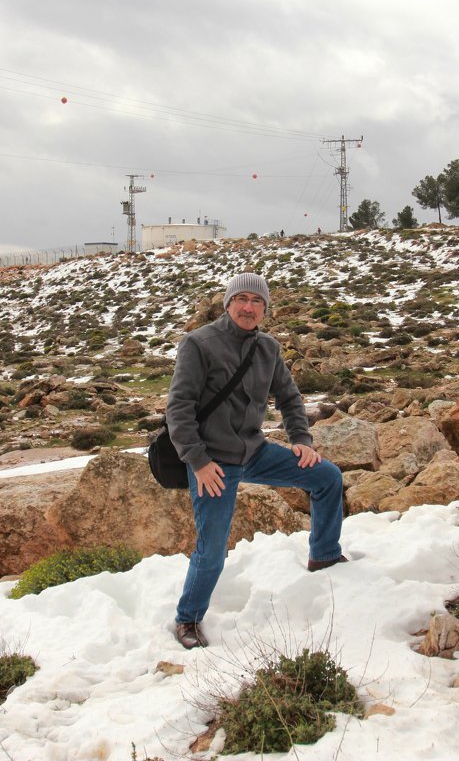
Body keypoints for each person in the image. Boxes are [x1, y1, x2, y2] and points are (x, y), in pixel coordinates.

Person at [165, 272, 346, 649]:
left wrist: (301, 439)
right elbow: (178, 409)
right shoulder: (198, 343)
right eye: (242, 299)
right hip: (213, 462)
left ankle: (324, 556)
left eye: (257, 301)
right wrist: (197, 461)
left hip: (255, 450)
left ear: (265, 308)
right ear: (228, 303)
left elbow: (290, 398)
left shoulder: (268, 348)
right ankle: (188, 619)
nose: (248, 307)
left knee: (326, 476)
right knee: (212, 547)